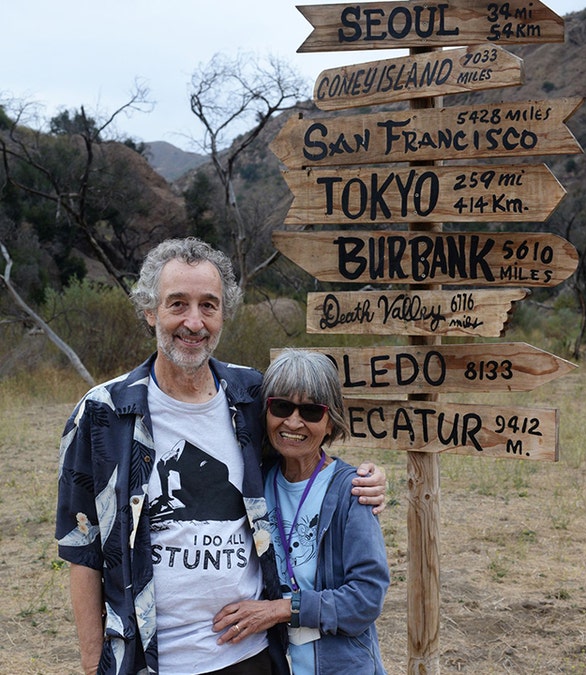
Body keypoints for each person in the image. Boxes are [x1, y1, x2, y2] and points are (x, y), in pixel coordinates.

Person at [55, 238, 387, 675]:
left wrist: (366, 479)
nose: (194, 322)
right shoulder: (102, 414)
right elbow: (83, 550)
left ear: (223, 315)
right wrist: (91, 661)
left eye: (208, 306)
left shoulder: (250, 396)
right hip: (149, 660)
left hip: (248, 656)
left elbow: (302, 439)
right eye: (178, 304)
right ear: (149, 311)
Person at [212, 350, 389, 674]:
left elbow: (366, 598)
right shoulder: (255, 483)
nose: (293, 422)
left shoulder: (351, 492)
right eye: (281, 407)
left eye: (310, 411)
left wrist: (281, 610)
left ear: (330, 420)